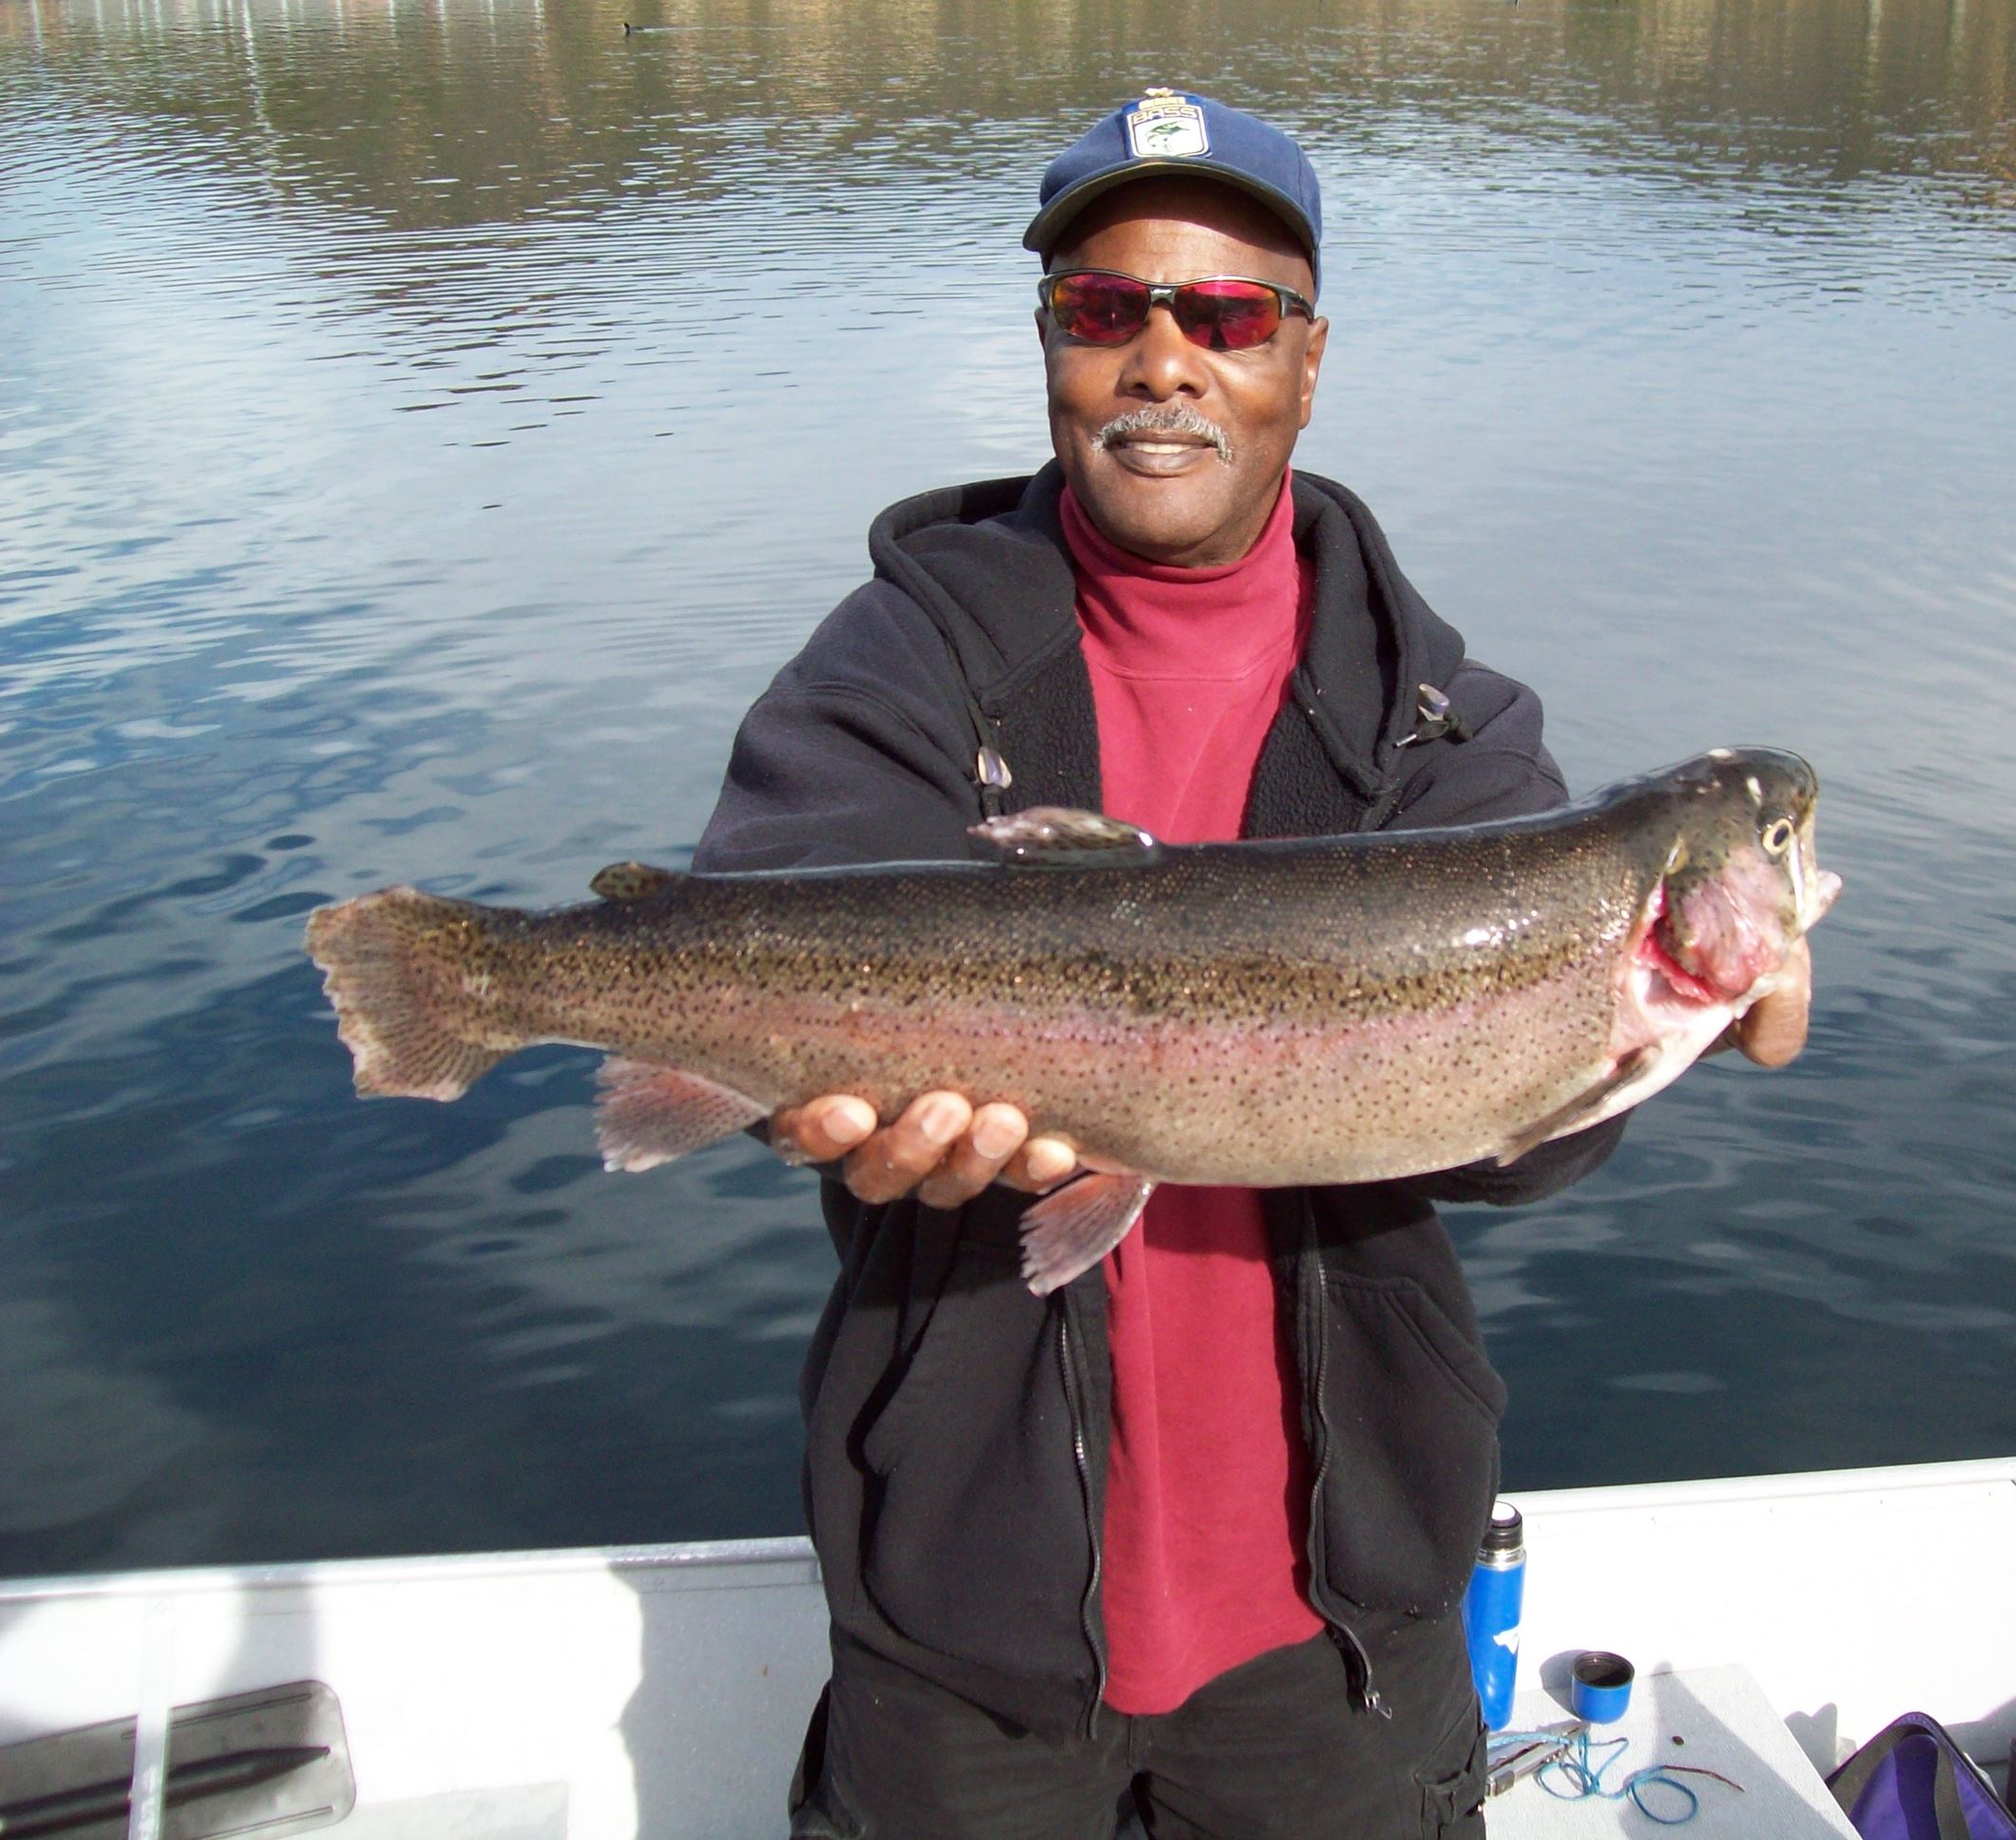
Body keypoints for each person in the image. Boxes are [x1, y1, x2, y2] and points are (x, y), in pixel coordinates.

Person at [694, 89, 1810, 1840]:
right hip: (959, 1596)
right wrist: (811, 1113)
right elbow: (759, 935)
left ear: (1306, 359)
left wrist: (1669, 1020)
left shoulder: (1443, 725)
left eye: (1224, 316)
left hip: (1340, 1613)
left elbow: (1534, 1145)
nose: (1164, 361)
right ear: (1052, 343)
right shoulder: (896, 663)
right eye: (1103, 309)